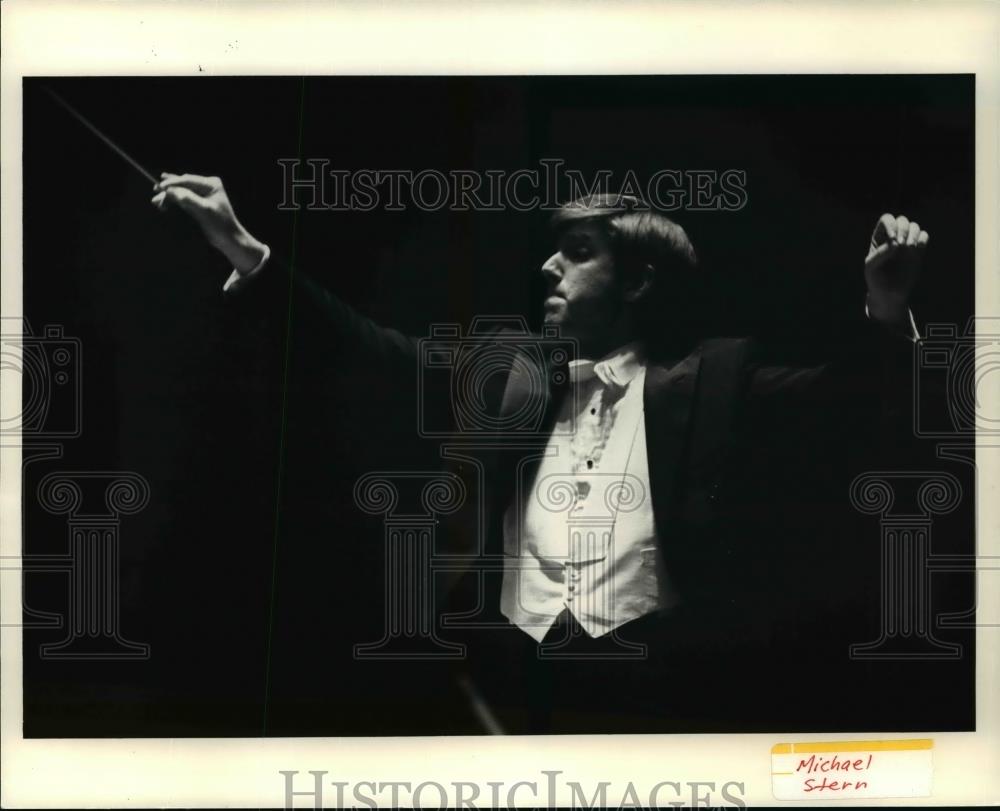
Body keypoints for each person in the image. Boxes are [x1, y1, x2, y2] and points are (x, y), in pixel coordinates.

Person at [151, 173, 928, 733]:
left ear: (640, 281)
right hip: (505, 676)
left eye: (579, 252)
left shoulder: (718, 376)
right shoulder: (510, 369)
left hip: (660, 686)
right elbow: (375, 351)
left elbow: (847, 399)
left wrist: (886, 307)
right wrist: (249, 249)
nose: (548, 267)